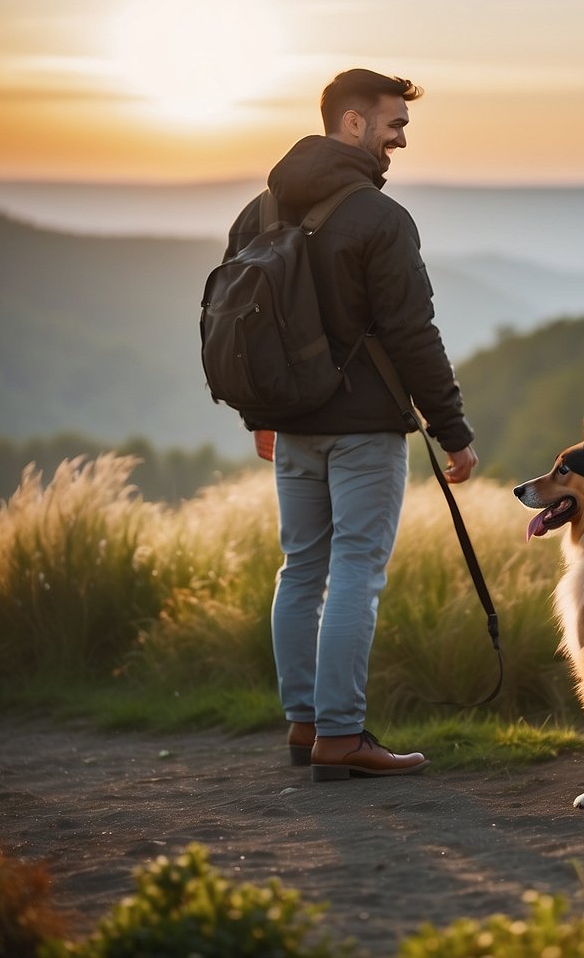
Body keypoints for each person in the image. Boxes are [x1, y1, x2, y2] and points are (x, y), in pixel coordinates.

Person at [225, 69, 478, 780]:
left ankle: (304, 726)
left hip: (293, 428)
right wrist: (452, 432)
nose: (401, 138)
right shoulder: (380, 219)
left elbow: (238, 323)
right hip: (364, 430)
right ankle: (341, 735)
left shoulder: (258, 211)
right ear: (354, 123)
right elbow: (413, 334)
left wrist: (260, 413)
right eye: (394, 123)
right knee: (356, 573)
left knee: (301, 567)